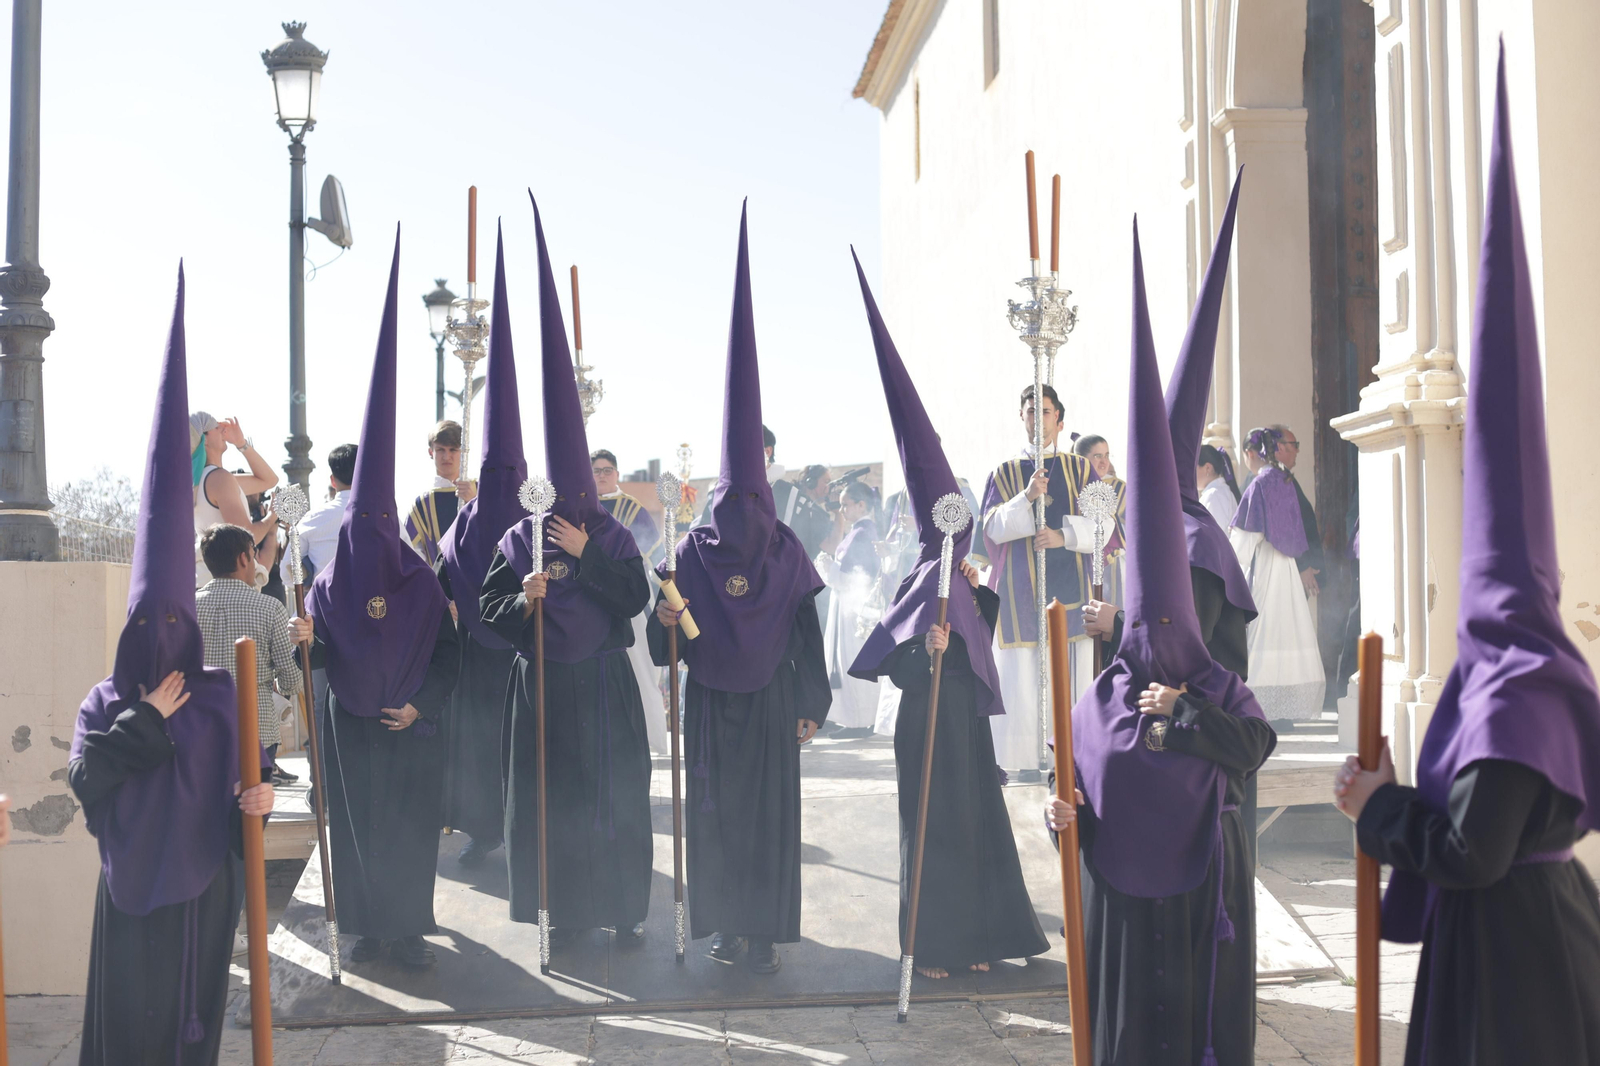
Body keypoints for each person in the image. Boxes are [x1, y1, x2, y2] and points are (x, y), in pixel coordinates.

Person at [1334, 57, 1600, 1065]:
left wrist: (1375, 808)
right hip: (1544, 936)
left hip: (1513, 963)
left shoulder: (1512, 690)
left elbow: (1466, 852)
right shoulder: (1545, 668)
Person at [1051, 225, 1274, 1066]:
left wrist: (1184, 710)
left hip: (1203, 848)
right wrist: (1060, 815)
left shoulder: (1203, 558)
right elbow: (1068, 785)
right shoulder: (1098, 699)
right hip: (1123, 900)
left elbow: (1243, 723)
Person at [70, 267, 276, 1066]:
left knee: (192, 1034)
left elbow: (242, 789)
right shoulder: (104, 702)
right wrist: (148, 717)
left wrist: (251, 798)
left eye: (172, 623)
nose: (161, 636)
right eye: (146, 625)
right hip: (130, 899)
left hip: (202, 897)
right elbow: (90, 782)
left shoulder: (222, 697)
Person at [848, 256, 1047, 978]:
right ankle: (932, 946)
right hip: (925, 721)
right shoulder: (914, 579)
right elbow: (889, 662)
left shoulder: (964, 579)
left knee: (976, 829)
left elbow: (982, 635)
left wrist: (970, 599)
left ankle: (985, 940)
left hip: (964, 720)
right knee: (931, 833)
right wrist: (922, 645)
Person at [647, 205, 830, 975]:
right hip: (724, 709)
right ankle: (731, 926)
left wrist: (811, 707)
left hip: (757, 707)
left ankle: (758, 930)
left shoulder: (780, 549)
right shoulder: (696, 550)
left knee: (755, 821)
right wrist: (664, 617)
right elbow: (667, 639)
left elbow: (806, 628)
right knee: (723, 820)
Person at [479, 200, 654, 943]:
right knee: (553, 806)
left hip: (605, 686)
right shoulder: (519, 537)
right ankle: (560, 916)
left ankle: (621, 913)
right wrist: (523, 597)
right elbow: (488, 607)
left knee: (613, 802)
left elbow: (634, 599)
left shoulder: (612, 534)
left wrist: (585, 560)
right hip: (543, 687)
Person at [301, 235, 460, 970]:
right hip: (355, 731)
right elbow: (326, 651)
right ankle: (369, 928)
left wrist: (420, 705)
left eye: (378, 525)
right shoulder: (330, 585)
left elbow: (446, 654)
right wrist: (308, 639)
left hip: (409, 730)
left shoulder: (422, 582)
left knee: (406, 830)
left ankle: (408, 928)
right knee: (361, 830)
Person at [434, 228, 525, 868]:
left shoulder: (467, 516)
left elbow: (441, 573)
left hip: (477, 654)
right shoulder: (532, 514)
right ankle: (516, 827)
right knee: (515, 744)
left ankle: (487, 827)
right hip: (523, 654)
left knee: (483, 744)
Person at [976, 382, 1097, 774]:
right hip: (1020, 595)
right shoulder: (1006, 472)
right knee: (1024, 682)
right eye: (1031, 411)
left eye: (1045, 412)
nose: (1038, 419)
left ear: (1059, 420)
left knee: (1071, 677)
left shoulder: (1081, 469)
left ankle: (1072, 759)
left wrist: (1064, 536)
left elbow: (1106, 524)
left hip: (1074, 593)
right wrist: (1025, 498)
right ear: (1021, 417)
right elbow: (991, 528)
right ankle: (1024, 760)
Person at [1229, 425, 1325, 725]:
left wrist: (1228, 559)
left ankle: (1258, 707)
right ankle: (1285, 708)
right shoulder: (1284, 480)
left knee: (1264, 633)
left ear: (1253, 452)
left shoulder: (1260, 484)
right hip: (1286, 566)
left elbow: (1247, 536)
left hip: (1268, 566)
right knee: (1286, 634)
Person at [196, 523, 306, 778]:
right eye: (253, 554)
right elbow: (291, 681)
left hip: (201, 729)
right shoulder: (269, 608)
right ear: (243, 558)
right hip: (257, 731)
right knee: (253, 814)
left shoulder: (188, 608)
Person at [592, 446, 672, 755]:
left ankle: (651, 736)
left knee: (639, 666)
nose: (601, 476)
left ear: (617, 474)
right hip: (591, 602)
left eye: (606, 470)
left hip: (628, 600)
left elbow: (655, 558)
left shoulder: (632, 508)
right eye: (596, 471)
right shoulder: (580, 507)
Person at [816, 479, 881, 735]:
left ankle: (861, 720)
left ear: (861, 505)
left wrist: (827, 567)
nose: (841, 510)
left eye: (846, 504)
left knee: (852, 659)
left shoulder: (863, 533)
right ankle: (854, 719)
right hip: (847, 606)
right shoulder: (859, 532)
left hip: (855, 607)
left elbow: (854, 577)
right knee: (845, 661)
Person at [190, 412, 278, 589]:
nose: (224, 429)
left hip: (205, 581)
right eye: (216, 427)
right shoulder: (219, 479)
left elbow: (269, 480)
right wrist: (271, 517)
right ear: (204, 439)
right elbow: (247, 537)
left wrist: (242, 444)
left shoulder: (205, 480)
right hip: (228, 585)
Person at [406, 419, 478, 565]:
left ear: (464, 451)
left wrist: (475, 503)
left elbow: (499, 533)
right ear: (431, 452)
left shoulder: (481, 490)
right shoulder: (421, 506)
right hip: (438, 585)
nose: (446, 457)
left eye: (453, 449)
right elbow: (412, 557)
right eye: (440, 450)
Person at [1196, 443, 1239, 532]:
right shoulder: (1217, 492)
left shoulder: (1214, 495)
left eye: (1194, 468)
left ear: (1207, 468)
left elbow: (1215, 535)